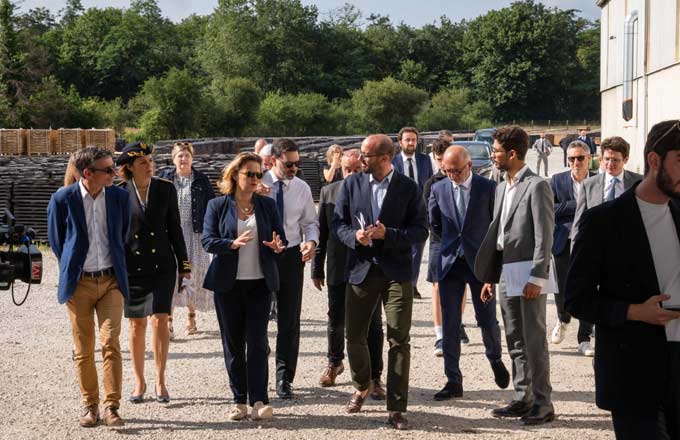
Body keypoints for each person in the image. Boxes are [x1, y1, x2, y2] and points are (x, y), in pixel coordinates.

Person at [566, 120, 680, 439]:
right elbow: (577, 299)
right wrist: (633, 311)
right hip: (633, 370)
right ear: (655, 161)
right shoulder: (603, 222)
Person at [333, 134, 429, 430]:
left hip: (397, 272)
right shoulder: (351, 184)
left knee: (399, 338)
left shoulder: (409, 188)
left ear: (385, 158)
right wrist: (355, 237)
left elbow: (420, 230)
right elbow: (339, 224)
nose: (360, 160)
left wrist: (389, 234)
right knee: (354, 335)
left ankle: (396, 407)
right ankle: (362, 384)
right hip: (361, 268)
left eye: (366, 155)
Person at [474, 126, 556, 425]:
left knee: (534, 339)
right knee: (515, 339)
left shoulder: (537, 186)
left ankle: (544, 404)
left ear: (511, 153)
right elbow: (499, 235)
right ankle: (524, 397)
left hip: (528, 271)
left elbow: (543, 236)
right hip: (506, 271)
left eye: (495, 151)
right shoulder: (500, 186)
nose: (492, 156)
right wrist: (489, 276)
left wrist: (537, 276)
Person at [47, 146, 131, 427]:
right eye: (108, 170)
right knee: (84, 349)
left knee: (111, 344)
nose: (114, 173)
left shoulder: (119, 197)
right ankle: (90, 405)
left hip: (111, 282)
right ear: (87, 173)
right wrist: (73, 268)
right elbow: (58, 242)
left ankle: (112, 407)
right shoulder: (62, 199)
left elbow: (124, 235)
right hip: (79, 284)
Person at [202, 152, 286, 421]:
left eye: (258, 174)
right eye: (249, 173)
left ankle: (259, 400)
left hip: (260, 284)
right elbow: (207, 241)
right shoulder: (217, 205)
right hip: (228, 285)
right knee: (234, 344)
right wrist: (231, 244)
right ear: (235, 175)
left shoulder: (267, 206)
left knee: (258, 343)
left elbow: (280, 239)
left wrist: (278, 247)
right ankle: (239, 400)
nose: (254, 179)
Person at [429, 145, 510, 400]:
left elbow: (497, 230)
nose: (451, 175)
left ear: (469, 166)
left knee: (486, 319)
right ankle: (453, 380)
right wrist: (440, 259)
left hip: (480, 264)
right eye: (447, 171)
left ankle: (495, 358)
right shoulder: (438, 188)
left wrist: (493, 270)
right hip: (451, 264)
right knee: (450, 323)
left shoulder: (488, 189)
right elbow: (435, 227)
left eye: (456, 171)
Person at [116, 142, 191, 405]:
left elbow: (175, 229)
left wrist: (185, 266)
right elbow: (116, 235)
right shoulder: (120, 193)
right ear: (129, 168)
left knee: (160, 319)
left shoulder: (165, 189)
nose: (149, 166)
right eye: (142, 163)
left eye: (150, 161)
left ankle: (160, 379)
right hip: (133, 267)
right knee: (137, 324)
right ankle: (139, 381)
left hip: (162, 265)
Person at [312, 150, 385, 398]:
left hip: (367, 267)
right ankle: (334, 362)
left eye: (356, 169)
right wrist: (316, 267)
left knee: (373, 324)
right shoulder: (328, 192)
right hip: (338, 265)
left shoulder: (373, 191)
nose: (351, 174)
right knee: (335, 318)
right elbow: (322, 233)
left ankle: (375, 376)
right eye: (347, 169)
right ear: (340, 169)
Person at [570, 136, 642, 355]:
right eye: (607, 159)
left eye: (616, 160)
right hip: (596, 255)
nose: (610, 165)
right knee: (593, 301)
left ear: (626, 159)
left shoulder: (637, 183)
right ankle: (587, 339)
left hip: (628, 256)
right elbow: (579, 221)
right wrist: (576, 252)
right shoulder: (590, 185)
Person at [262, 138, 319, 399]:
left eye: (297, 163)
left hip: (291, 256)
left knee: (289, 320)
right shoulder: (258, 182)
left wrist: (311, 242)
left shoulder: (302, 188)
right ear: (274, 160)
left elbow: (310, 222)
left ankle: (285, 378)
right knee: (258, 318)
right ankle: (258, 375)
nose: (294, 168)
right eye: (289, 163)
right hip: (261, 254)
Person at [158, 142, 216, 339]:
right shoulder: (165, 178)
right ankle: (169, 321)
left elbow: (211, 207)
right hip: (170, 234)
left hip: (195, 233)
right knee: (171, 276)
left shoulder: (201, 180)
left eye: (186, 156)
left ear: (192, 158)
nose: (183, 159)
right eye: (179, 156)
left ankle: (191, 317)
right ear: (173, 158)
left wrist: (212, 232)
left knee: (194, 274)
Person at [549, 140, 595, 347]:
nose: (575, 162)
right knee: (562, 286)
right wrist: (580, 204)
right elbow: (551, 208)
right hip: (563, 240)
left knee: (589, 286)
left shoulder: (598, 180)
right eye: (571, 158)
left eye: (580, 158)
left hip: (590, 241)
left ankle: (584, 336)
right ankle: (563, 319)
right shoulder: (557, 181)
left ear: (589, 159)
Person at [391, 126, 433, 299]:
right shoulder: (393, 162)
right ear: (400, 142)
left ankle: (412, 285)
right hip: (399, 212)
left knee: (417, 250)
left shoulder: (424, 161)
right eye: (407, 140)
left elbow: (430, 184)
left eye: (413, 140)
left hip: (419, 212)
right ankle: (398, 284)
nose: (411, 143)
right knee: (399, 248)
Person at [423, 138, 453, 356]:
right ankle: (440, 333)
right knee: (437, 286)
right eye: (439, 160)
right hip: (437, 239)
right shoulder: (431, 184)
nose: (443, 165)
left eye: (446, 159)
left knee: (460, 285)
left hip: (459, 239)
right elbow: (427, 215)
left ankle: (456, 325)